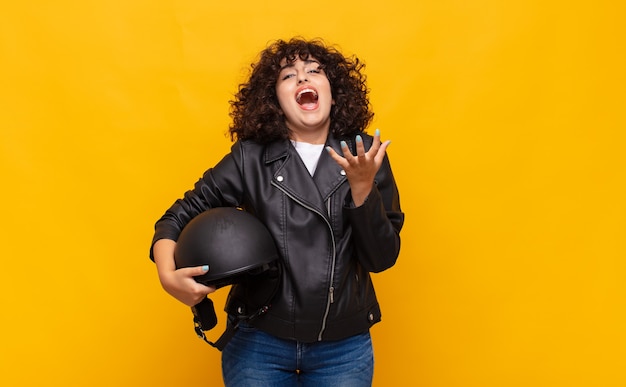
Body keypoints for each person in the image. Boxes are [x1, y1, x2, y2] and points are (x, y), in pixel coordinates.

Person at [150, 37, 404, 386]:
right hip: (259, 341)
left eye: (314, 71)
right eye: (289, 76)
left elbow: (382, 258)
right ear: (274, 101)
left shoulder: (365, 155)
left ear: (333, 90)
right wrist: (168, 276)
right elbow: (175, 217)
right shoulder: (248, 158)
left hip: (343, 347)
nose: (303, 79)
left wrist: (362, 191)